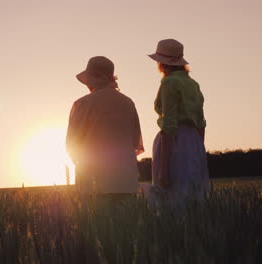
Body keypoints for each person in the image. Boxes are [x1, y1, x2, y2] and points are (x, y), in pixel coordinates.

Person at [66, 56, 144, 204]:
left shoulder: (83, 104)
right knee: (125, 225)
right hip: (125, 180)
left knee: (96, 224)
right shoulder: (128, 103)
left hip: (94, 179)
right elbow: (135, 142)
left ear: (90, 80)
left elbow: (71, 144)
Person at [143, 39, 210, 207]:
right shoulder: (193, 84)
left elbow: (169, 124)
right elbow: (201, 122)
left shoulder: (169, 83)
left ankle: (173, 231)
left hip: (173, 142)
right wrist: (198, 150)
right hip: (194, 142)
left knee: (172, 197)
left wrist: (163, 168)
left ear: (161, 63)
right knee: (193, 197)